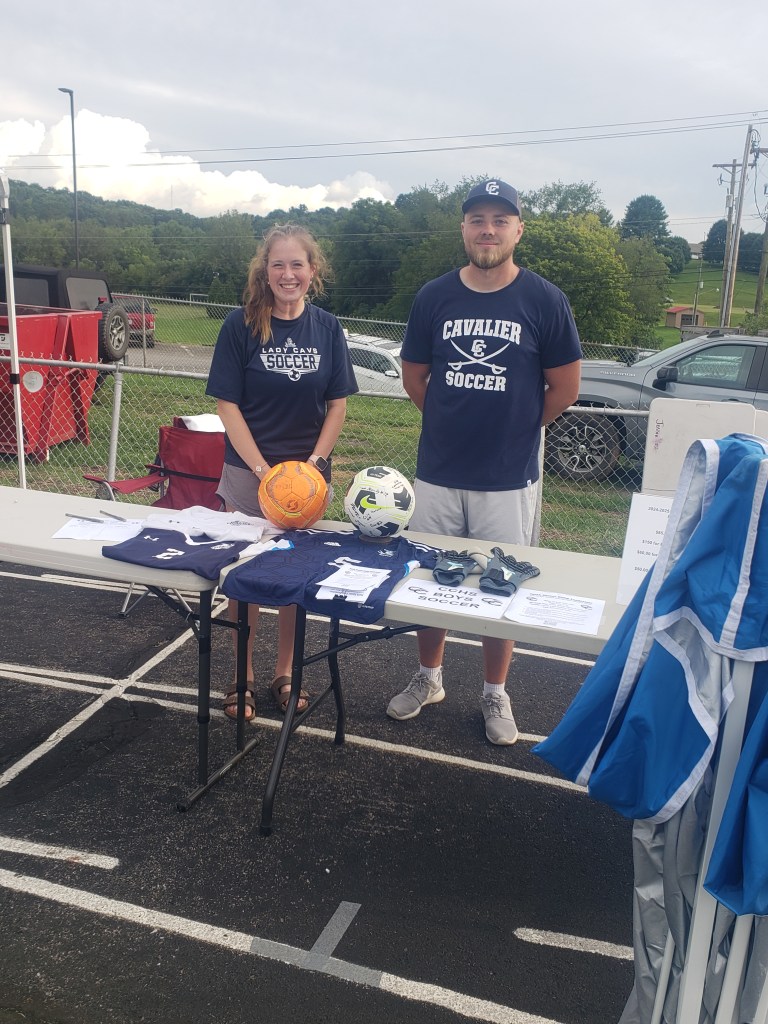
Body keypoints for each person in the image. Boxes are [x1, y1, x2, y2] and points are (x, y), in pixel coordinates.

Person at [386, 179, 582, 745]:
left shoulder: (544, 299)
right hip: (439, 471)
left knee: (501, 585)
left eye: (500, 220)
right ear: (464, 229)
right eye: (478, 220)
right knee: (433, 580)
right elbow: (415, 378)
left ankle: (495, 690)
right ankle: (429, 677)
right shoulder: (434, 296)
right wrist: (452, 422)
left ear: (518, 229)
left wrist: (514, 428)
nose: (488, 230)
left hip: (507, 477)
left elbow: (565, 388)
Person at [206, 223, 358, 722]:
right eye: (278, 265)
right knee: (246, 578)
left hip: (306, 480)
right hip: (249, 473)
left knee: (295, 578)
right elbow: (227, 405)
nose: (288, 274)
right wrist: (262, 470)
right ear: (264, 271)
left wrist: (314, 465)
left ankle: (286, 672)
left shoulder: (327, 328)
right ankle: (242, 676)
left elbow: (337, 405)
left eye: (297, 264)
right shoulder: (241, 325)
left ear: (313, 271)